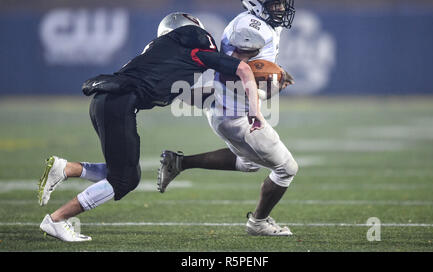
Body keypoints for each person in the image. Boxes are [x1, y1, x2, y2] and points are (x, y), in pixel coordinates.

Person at [37, 12, 265, 242]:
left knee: (126, 173)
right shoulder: (194, 40)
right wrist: (254, 108)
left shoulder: (166, 56)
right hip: (118, 104)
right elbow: (242, 70)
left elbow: (194, 94)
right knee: (123, 180)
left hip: (107, 102)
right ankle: (57, 220)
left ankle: (66, 169)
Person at [157, 0, 298, 236]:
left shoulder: (259, 23)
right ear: (255, 1)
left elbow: (251, 69)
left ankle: (178, 163)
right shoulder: (249, 29)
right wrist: (270, 82)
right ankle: (258, 223)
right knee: (286, 169)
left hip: (226, 109)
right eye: (275, 3)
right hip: (237, 115)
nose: (281, 9)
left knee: (249, 162)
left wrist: (274, 77)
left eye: (282, 2)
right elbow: (234, 71)